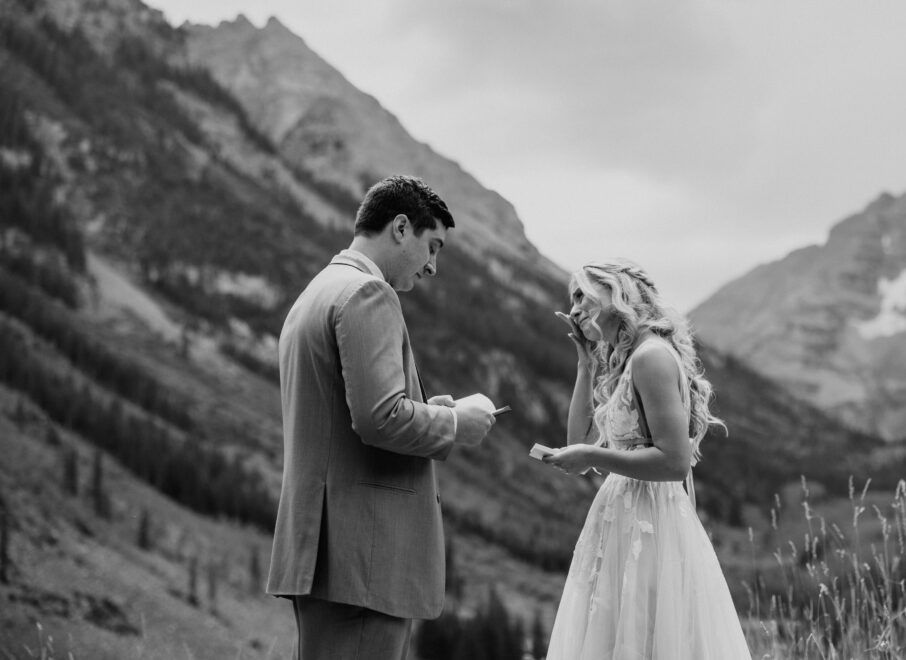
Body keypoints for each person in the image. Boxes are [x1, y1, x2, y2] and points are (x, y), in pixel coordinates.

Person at [266, 175, 496, 660]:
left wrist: (431, 411)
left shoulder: (319, 291)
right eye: (431, 246)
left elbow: (343, 417)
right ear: (399, 227)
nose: (433, 266)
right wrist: (457, 425)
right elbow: (381, 419)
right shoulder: (369, 293)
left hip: (327, 551)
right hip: (363, 558)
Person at [542, 258, 752, 659]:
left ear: (618, 293)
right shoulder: (628, 359)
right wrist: (586, 366)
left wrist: (591, 454)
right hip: (624, 518)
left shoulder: (650, 357)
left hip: (649, 521)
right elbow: (579, 441)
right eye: (571, 300)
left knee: (650, 637)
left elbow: (674, 463)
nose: (574, 309)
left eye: (583, 295)